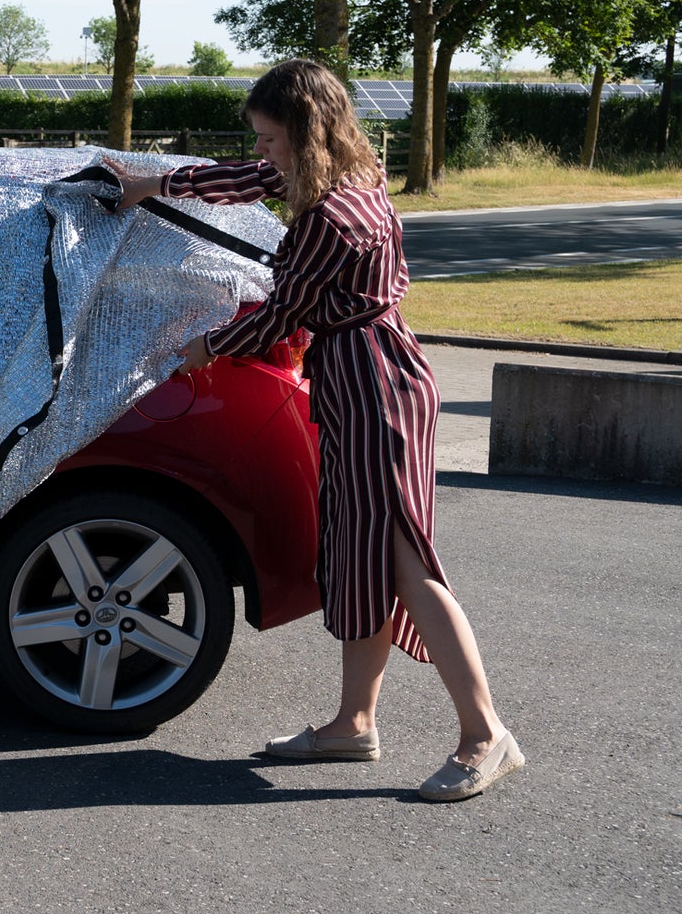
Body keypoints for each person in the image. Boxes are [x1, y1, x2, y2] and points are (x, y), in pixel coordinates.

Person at [106, 59, 522, 801]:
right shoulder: (350, 176)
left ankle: (486, 734)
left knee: (405, 561)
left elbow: (280, 315)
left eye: (271, 140)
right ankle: (351, 724)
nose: (262, 152)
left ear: (304, 134)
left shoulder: (330, 217)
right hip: (373, 370)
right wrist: (153, 185)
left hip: (374, 386)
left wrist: (203, 347)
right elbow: (240, 179)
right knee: (363, 555)